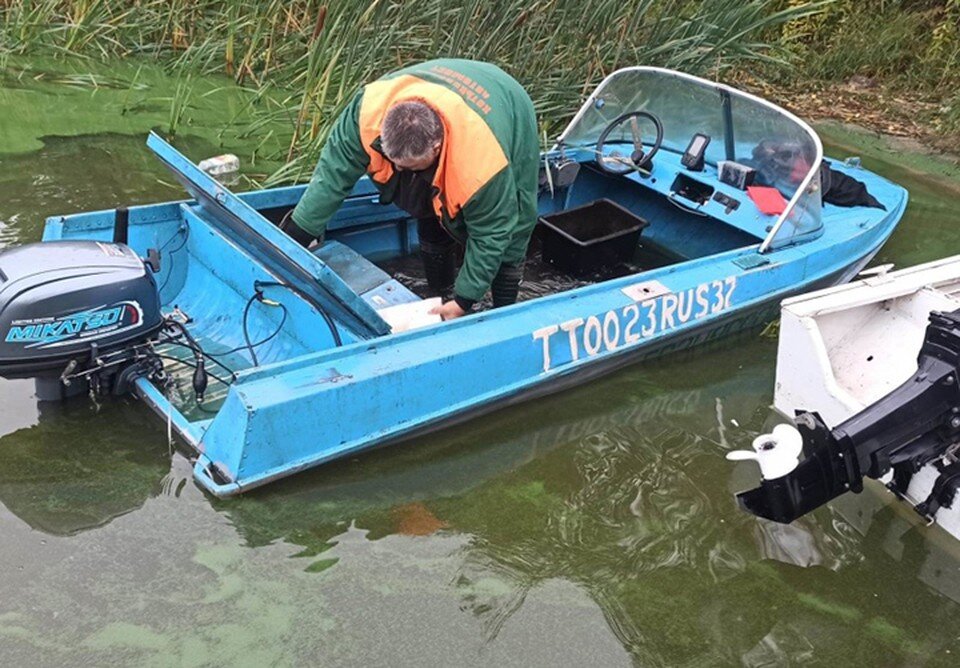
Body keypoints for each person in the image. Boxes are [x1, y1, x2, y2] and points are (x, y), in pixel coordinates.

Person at [282, 59, 540, 320]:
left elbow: (493, 232)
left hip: (506, 101)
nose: (403, 171)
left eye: (413, 166)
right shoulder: (366, 114)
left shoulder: (483, 163)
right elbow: (329, 180)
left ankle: (505, 311)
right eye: (398, 165)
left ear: (437, 147)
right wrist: (293, 240)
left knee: (514, 224)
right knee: (424, 201)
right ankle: (439, 289)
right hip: (438, 87)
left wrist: (463, 301)